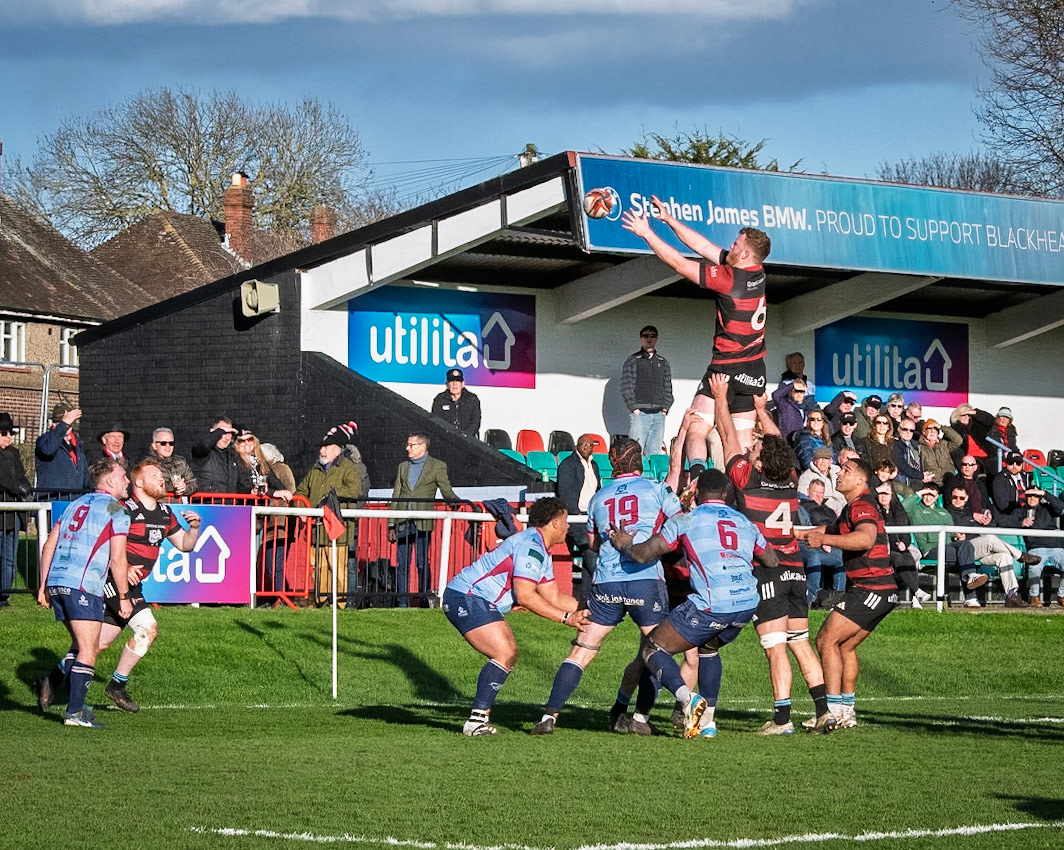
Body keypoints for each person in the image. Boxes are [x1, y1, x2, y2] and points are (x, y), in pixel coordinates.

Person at [529, 437, 682, 737]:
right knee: (655, 650)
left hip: (607, 583)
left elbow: (593, 543)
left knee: (581, 651)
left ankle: (549, 716)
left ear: (613, 463)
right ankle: (643, 718)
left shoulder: (599, 498)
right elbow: (680, 523)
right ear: (639, 460)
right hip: (644, 580)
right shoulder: (656, 488)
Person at [709, 374, 836, 735]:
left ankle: (782, 720)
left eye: (756, 450)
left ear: (761, 464)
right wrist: (763, 411)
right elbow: (779, 443)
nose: (752, 448)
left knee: (775, 647)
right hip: (796, 568)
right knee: (800, 643)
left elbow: (727, 435)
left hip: (768, 570)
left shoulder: (747, 479)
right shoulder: (791, 477)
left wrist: (720, 396)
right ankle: (824, 711)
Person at [608, 467, 776, 739]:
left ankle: (688, 699)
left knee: (652, 649)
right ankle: (707, 723)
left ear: (696, 492)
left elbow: (643, 554)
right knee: (709, 647)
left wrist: (626, 545)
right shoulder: (745, 522)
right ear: (725, 494)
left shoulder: (686, 520)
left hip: (712, 603)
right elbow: (771, 560)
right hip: (746, 604)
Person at [621, 196, 772, 473]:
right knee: (742, 440)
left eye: (735, 244)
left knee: (696, 427)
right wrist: (669, 220)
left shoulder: (730, 279)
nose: (730, 246)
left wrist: (647, 234)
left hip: (726, 367)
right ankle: (744, 484)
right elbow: (703, 246)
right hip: (755, 369)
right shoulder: (757, 272)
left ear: (745, 254)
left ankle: (698, 478)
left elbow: (680, 264)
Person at [443, 496, 590, 736]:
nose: (567, 527)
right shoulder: (531, 546)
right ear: (554, 522)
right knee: (505, 652)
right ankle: (475, 722)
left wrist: (590, 608)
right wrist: (566, 618)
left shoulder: (539, 548)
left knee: (508, 653)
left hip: (475, 599)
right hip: (467, 596)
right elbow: (525, 596)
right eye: (565, 521)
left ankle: (477, 720)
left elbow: (553, 596)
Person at [796, 457, 897, 730]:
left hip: (871, 588)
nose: (839, 473)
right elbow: (825, 530)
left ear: (861, 480)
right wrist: (790, 535)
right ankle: (846, 711)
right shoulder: (853, 507)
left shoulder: (862, 505)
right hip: (881, 590)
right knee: (845, 646)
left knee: (825, 640)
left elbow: (865, 539)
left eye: (846, 470)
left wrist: (824, 540)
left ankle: (831, 711)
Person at [33, 459, 133, 728]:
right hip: (83, 584)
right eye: (123, 476)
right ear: (109, 481)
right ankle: (75, 712)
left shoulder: (75, 504)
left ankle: (51, 683)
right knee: (89, 649)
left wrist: (44, 584)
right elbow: (118, 558)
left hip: (58, 582)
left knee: (82, 644)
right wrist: (124, 597)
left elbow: (49, 543)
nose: (127, 481)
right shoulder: (117, 509)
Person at [97, 461, 201, 712]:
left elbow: (185, 545)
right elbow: (99, 542)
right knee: (148, 629)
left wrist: (195, 528)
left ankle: (51, 679)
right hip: (114, 581)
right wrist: (123, 567)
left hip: (134, 586)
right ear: (139, 482)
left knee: (98, 644)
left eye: (161, 475)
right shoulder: (123, 508)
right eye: (154, 475)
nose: (161, 478)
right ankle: (117, 686)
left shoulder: (165, 512)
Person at [295, 423, 363, 607]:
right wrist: (301, 508)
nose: (322, 451)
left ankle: (339, 605)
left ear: (337, 449)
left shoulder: (348, 467)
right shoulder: (315, 469)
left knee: (338, 570)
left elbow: (354, 490)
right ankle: (322, 603)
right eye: (321, 447)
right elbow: (301, 491)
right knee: (320, 569)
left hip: (337, 531)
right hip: (317, 531)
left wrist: (329, 496)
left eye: (326, 447)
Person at [389, 433, 456, 607]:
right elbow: (396, 495)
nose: (407, 448)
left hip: (423, 522)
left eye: (411, 445)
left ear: (422, 446)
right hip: (402, 521)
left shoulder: (437, 466)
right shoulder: (403, 467)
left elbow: (446, 491)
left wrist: (455, 501)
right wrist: (391, 523)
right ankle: (402, 603)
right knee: (402, 565)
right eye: (407, 444)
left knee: (422, 563)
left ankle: (424, 601)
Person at [944, 485, 1037, 607]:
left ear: (966, 498)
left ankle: (1011, 596)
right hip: (962, 550)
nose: (957, 500)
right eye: (954, 497)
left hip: (978, 550)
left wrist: (987, 517)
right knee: (990, 539)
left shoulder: (971, 513)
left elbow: (992, 524)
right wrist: (955, 536)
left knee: (1004, 556)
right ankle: (1020, 555)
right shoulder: (947, 513)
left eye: (961, 498)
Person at [902, 484, 984, 608]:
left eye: (932, 495)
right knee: (965, 557)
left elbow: (951, 533)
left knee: (966, 545)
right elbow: (903, 507)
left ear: (937, 497)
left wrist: (957, 536)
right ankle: (970, 596)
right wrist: (920, 493)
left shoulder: (944, 512)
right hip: (931, 549)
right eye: (926, 494)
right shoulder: (915, 509)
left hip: (948, 547)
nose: (928, 498)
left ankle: (970, 582)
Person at [555, 433, 602, 604]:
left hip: (592, 517)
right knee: (589, 553)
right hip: (577, 517)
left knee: (591, 553)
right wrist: (574, 513)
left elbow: (597, 490)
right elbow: (564, 492)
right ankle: (605, 587)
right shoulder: (567, 465)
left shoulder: (594, 465)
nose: (586, 448)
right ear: (577, 446)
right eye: (583, 445)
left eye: (589, 445)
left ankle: (587, 598)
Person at [873, 481, 930, 608]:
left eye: (886, 494)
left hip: (898, 547)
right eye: (881, 493)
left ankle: (915, 597)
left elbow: (906, 533)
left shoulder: (898, 511)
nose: (883, 496)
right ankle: (917, 591)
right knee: (898, 558)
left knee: (909, 559)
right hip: (881, 547)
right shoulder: (874, 510)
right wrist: (877, 489)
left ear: (892, 495)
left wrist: (904, 543)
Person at [620, 325, 673, 456]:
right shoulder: (633, 360)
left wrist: (665, 409)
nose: (649, 339)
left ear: (656, 339)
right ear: (641, 339)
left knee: (655, 454)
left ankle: (652, 472)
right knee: (635, 452)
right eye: (646, 336)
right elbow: (626, 386)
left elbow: (667, 387)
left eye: (652, 336)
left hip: (659, 415)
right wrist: (635, 409)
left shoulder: (663, 362)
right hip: (640, 414)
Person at [0, 413, 31, 606]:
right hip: (2, 510)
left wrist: (25, 484)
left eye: (10, 433)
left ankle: (4, 594)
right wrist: (17, 487)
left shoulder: (14, 453)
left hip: (13, 513)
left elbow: (20, 475)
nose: (9, 437)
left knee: (9, 557)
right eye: (4, 433)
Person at [1018, 488, 1064, 607]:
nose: (1032, 498)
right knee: (1035, 567)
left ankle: (1062, 595)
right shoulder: (1021, 511)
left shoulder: (1047, 508)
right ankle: (1034, 597)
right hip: (1036, 546)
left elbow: (1060, 507)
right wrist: (1021, 523)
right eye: (1029, 496)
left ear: (1040, 497)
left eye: (1035, 496)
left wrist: (1044, 493)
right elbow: (1007, 521)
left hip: (1056, 546)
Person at [34, 404, 90, 498]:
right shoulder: (44, 440)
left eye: (69, 422)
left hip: (73, 502)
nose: (66, 426)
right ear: (53, 423)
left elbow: (85, 476)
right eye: (59, 422)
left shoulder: (78, 445)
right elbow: (48, 450)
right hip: (52, 501)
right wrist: (63, 425)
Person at [234, 429, 292, 500]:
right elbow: (243, 483)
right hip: (243, 503)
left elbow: (272, 478)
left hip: (260, 502)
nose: (246, 443)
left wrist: (284, 491)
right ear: (237, 444)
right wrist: (271, 492)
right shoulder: (235, 459)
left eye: (250, 439)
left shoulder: (260, 458)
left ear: (255, 441)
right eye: (242, 441)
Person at [189, 417, 240, 493]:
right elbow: (204, 445)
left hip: (229, 500)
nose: (227, 438)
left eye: (230, 433)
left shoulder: (233, 455)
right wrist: (219, 432)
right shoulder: (202, 452)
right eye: (223, 433)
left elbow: (238, 484)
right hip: (207, 500)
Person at [430, 367, 481, 439]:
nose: (455, 384)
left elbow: (475, 422)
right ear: (447, 384)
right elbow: (437, 421)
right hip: (446, 439)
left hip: (468, 440)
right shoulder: (440, 399)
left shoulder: (472, 399)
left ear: (462, 384)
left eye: (458, 381)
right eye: (451, 381)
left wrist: (465, 436)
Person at [145, 427, 197, 497]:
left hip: (178, 503)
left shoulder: (181, 461)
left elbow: (193, 484)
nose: (168, 446)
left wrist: (185, 488)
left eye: (171, 443)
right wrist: (174, 487)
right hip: (157, 502)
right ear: (154, 446)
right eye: (163, 443)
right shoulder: (148, 464)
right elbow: (150, 486)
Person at [991, 451, 1033, 524]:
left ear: (1022, 464)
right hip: (1008, 519)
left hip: (1026, 514)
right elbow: (1004, 506)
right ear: (1006, 463)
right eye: (1011, 463)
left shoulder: (1026, 477)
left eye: (1018, 463)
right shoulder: (999, 480)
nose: (1014, 466)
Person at [918, 419, 961, 486]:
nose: (932, 431)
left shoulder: (944, 444)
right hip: (932, 483)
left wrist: (941, 427)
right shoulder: (919, 447)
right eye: (929, 428)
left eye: (935, 429)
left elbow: (958, 440)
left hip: (949, 480)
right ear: (924, 432)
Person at [893, 418, 932, 488]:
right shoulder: (895, 444)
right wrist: (921, 475)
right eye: (905, 429)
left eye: (911, 430)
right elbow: (901, 465)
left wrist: (925, 476)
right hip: (903, 480)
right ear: (899, 429)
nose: (908, 432)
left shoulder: (915, 445)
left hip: (917, 478)